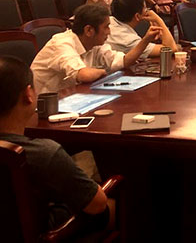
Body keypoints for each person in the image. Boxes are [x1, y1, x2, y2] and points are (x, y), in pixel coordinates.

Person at [0, 56, 113, 233]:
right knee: (110, 205)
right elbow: (97, 205)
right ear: (28, 95)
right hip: (46, 234)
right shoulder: (44, 154)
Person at [30, 4, 160, 94]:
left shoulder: (95, 43)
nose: (109, 32)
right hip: (42, 107)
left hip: (71, 97)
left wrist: (146, 40)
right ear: (89, 30)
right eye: (106, 27)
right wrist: (104, 71)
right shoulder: (62, 43)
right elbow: (84, 75)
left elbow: (124, 61)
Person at [107, 0, 178, 57]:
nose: (148, 11)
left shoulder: (109, 21)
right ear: (137, 16)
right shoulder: (128, 40)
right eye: (146, 8)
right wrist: (158, 20)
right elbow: (171, 49)